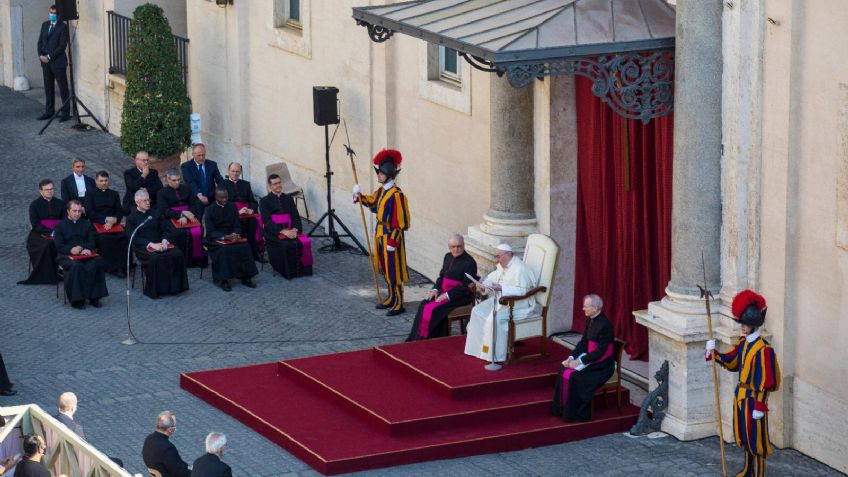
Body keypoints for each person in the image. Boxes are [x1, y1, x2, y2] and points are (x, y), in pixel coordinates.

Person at [706, 290, 781, 477]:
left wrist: (760, 406)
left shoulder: (764, 350)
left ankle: (759, 474)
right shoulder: (744, 343)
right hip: (741, 398)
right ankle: (748, 471)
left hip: (754, 401)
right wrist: (714, 353)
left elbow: (767, 383)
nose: (742, 327)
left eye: (744, 324)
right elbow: (732, 362)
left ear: (753, 325)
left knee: (757, 441)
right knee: (746, 437)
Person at [353, 149, 410, 316]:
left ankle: (399, 302)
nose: (378, 174)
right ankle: (391, 297)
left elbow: (401, 223)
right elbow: (372, 203)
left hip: (392, 238)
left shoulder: (397, 196)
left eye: (380, 172)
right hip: (380, 235)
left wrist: (393, 242)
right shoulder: (382, 191)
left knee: (394, 269)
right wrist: (359, 196)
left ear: (389, 174)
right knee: (385, 268)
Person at [463, 243, 539, 362]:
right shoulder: (502, 266)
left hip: (518, 303)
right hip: (501, 300)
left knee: (494, 318)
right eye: (496, 257)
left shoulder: (519, 268)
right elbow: (492, 279)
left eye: (498, 256)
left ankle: (496, 355)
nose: (497, 259)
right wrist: (483, 287)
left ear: (508, 254)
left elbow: (524, 291)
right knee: (477, 311)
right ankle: (478, 349)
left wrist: (502, 288)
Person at [551, 294, 615, 422]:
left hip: (602, 365)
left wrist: (579, 361)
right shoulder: (590, 320)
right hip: (590, 358)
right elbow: (583, 343)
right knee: (563, 368)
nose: (583, 309)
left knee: (576, 377)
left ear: (595, 308)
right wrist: (571, 357)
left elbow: (600, 352)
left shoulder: (605, 325)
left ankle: (577, 414)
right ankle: (561, 409)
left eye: (586, 306)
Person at [406, 234, 477, 341]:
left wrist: (447, 296)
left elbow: (465, 286)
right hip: (444, 292)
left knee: (434, 309)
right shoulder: (447, 257)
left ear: (463, 246)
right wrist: (435, 289)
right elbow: (442, 277)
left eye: (459, 246)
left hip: (459, 296)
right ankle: (416, 337)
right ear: (449, 247)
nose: (456, 249)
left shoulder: (470, 262)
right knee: (424, 304)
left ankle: (431, 339)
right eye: (453, 247)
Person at [126, 190, 189, 299]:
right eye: (144, 201)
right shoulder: (131, 218)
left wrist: (164, 240)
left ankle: (175, 287)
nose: (148, 203)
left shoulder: (155, 213)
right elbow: (133, 236)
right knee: (156, 258)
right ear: (137, 202)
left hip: (161, 243)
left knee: (177, 254)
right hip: (143, 247)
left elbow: (165, 228)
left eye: (148, 200)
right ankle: (157, 290)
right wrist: (151, 244)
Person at [53, 200, 108, 309]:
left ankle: (94, 297)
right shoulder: (60, 226)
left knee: (96, 262)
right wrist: (71, 249)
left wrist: (83, 248)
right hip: (65, 255)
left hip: (84, 254)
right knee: (77, 266)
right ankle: (78, 299)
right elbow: (59, 246)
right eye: (74, 211)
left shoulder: (87, 224)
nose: (77, 214)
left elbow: (92, 242)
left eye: (79, 211)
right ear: (68, 211)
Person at [204, 187, 258, 291]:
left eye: (226, 197)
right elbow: (211, 231)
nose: (225, 200)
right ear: (216, 197)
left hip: (232, 236)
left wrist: (236, 234)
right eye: (222, 197)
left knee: (245, 246)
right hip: (216, 238)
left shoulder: (232, 206)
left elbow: (237, 225)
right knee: (224, 249)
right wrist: (225, 237)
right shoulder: (209, 210)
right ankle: (223, 280)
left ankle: (245, 277)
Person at [260, 174, 312, 279]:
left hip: (291, 229)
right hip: (274, 232)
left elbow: (296, 216)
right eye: (275, 184)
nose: (278, 185)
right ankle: (289, 272)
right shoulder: (264, 201)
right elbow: (267, 222)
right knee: (285, 245)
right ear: (270, 186)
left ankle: (304, 271)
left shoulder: (288, 198)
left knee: (305, 241)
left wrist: (295, 229)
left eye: (279, 183)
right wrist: (282, 231)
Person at [157, 168, 206, 267]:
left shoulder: (186, 188)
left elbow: (194, 204)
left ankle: (196, 259)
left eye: (179, 179)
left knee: (199, 229)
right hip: (172, 218)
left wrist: (188, 214)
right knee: (179, 233)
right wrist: (181, 214)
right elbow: (164, 210)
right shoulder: (162, 192)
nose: (177, 182)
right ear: (168, 179)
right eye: (174, 180)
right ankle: (180, 261)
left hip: (189, 215)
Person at [19, 179, 64, 285]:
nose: (50, 191)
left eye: (52, 189)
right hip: (38, 234)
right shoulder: (34, 205)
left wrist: (57, 230)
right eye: (47, 189)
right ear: (41, 191)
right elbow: (35, 224)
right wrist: (50, 231)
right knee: (48, 245)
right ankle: (49, 275)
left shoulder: (61, 203)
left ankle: (63, 269)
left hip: (58, 232)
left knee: (60, 242)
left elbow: (65, 220)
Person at [84, 171, 128, 277]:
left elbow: (119, 211)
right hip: (97, 223)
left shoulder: (114, 194)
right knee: (105, 239)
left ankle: (123, 265)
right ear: (96, 181)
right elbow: (90, 212)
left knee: (124, 236)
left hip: (113, 223)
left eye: (106, 180)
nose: (104, 183)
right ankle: (110, 267)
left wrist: (115, 219)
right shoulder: (90, 194)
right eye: (101, 181)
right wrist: (105, 220)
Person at [222, 162, 265, 262]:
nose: (235, 173)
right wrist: (237, 211)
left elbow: (253, 201)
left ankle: (255, 252)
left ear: (240, 172)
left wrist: (251, 209)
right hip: (231, 213)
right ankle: (243, 253)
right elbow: (223, 203)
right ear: (228, 171)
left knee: (254, 222)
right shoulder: (222, 185)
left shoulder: (246, 184)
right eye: (233, 171)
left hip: (247, 213)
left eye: (237, 171)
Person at [36, 4, 70, 122]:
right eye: (50, 12)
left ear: (58, 15)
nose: (52, 15)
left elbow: (62, 46)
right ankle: (49, 111)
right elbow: (40, 42)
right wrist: (40, 55)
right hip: (45, 63)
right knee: (48, 87)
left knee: (63, 88)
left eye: (54, 13)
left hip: (58, 62)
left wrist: (49, 56)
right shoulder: (45, 25)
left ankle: (66, 112)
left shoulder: (63, 27)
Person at [142, 411, 190, 477]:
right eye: (174, 427)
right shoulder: (168, 449)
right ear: (170, 430)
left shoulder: (149, 439)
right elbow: (181, 473)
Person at [181, 143, 223, 211]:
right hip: (196, 196)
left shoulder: (212, 164)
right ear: (193, 154)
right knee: (197, 214)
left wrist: (223, 190)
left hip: (211, 196)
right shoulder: (186, 166)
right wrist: (200, 196)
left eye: (203, 155)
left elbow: (219, 179)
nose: (201, 158)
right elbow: (190, 182)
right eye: (199, 155)